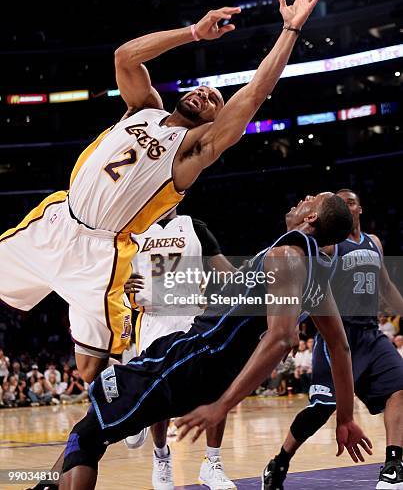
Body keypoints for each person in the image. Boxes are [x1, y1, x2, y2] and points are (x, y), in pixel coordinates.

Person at [1, 0, 320, 385]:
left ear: (212, 122)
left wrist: (290, 30)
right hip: (56, 221)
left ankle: (121, 397)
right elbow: (124, 57)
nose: (205, 95)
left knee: (88, 369)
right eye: (203, 90)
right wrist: (193, 33)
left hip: (101, 253)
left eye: (214, 101)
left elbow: (254, 95)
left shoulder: (192, 150)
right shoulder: (143, 108)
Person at [59, 192, 372, 490]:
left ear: (312, 216)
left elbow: (283, 336)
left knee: (86, 437)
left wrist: (222, 406)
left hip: (191, 357)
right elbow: (338, 346)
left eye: (311, 198)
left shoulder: (286, 255)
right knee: (91, 428)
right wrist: (345, 416)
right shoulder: (317, 269)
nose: (304, 199)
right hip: (204, 364)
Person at [263, 188, 403, 490]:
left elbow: (387, 286)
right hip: (338, 336)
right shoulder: (328, 245)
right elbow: (305, 282)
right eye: (340, 203)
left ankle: (394, 465)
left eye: (350, 201)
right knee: (321, 409)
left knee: (400, 389)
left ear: (359, 209)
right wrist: (286, 326)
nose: (346, 206)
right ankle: (280, 462)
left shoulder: (374, 243)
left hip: (370, 334)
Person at [123, 209, 237, 490]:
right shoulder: (133, 229)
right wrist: (120, 284)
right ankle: (161, 457)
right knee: (159, 398)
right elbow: (113, 276)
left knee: (216, 387)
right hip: (154, 317)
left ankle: (212, 463)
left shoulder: (195, 228)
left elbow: (229, 274)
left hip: (193, 316)